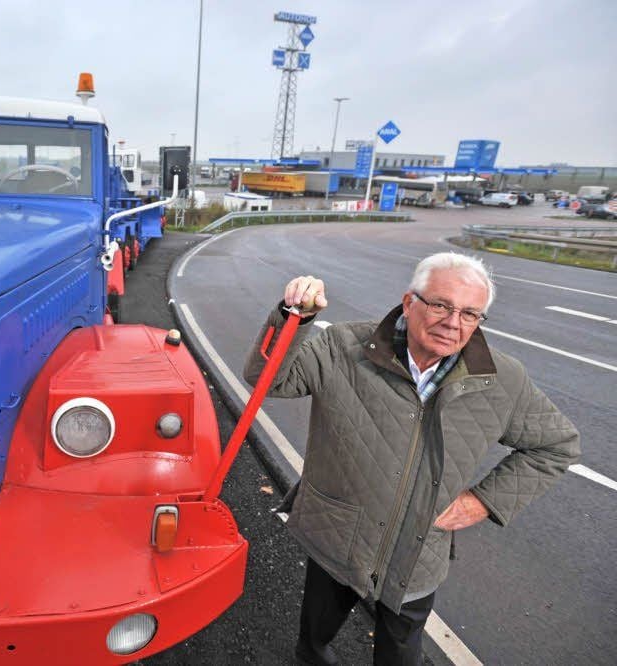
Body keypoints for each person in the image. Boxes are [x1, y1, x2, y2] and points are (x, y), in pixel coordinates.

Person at [242, 252, 580, 666]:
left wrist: (483, 501)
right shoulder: (343, 346)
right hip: (337, 533)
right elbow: (267, 379)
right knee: (316, 634)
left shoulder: (502, 380)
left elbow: (558, 445)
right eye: (440, 305)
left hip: (418, 555)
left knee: (401, 653)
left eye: (470, 314)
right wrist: (292, 317)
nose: (453, 322)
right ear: (409, 302)